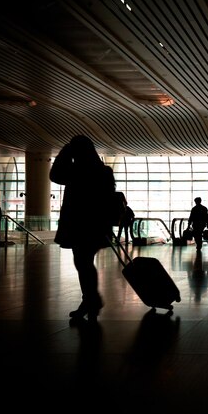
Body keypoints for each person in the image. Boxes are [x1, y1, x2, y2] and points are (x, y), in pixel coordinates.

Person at [49, 135, 115, 321]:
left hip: (78, 224)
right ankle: (91, 300)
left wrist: (64, 152)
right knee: (85, 262)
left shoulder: (76, 170)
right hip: (96, 225)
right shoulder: (103, 171)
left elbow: (55, 176)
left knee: (82, 262)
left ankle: (91, 300)